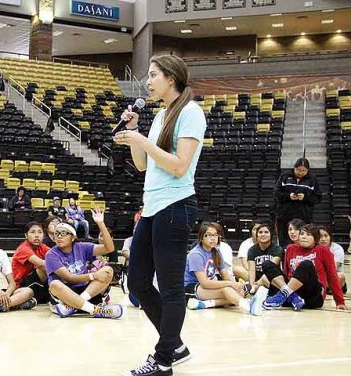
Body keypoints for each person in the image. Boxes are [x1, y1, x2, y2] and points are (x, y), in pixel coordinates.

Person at [113, 55, 206, 376]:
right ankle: (175, 344)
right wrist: (134, 134)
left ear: (171, 77)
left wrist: (142, 141)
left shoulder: (191, 113)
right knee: (137, 281)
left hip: (176, 207)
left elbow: (180, 165)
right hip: (152, 208)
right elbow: (142, 165)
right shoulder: (160, 116)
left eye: (153, 75)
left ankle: (164, 358)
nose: (148, 81)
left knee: (169, 287)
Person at [45, 208, 122, 319]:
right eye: (56, 234)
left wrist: (101, 223)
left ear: (73, 237)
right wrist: (93, 275)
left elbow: (109, 248)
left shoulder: (82, 247)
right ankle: (96, 310)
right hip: (65, 291)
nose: (59, 236)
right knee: (54, 284)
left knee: (108, 270)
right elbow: (70, 278)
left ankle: (73, 306)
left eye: (63, 233)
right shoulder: (51, 254)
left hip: (85, 289)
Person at [184, 222, 267, 315]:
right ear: (201, 238)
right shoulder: (196, 254)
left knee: (240, 292)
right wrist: (230, 284)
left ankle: (205, 304)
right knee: (227, 290)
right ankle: (249, 306)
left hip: (209, 284)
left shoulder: (216, 251)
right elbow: (204, 283)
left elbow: (225, 275)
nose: (213, 238)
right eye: (208, 235)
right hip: (192, 287)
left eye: (215, 235)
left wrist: (234, 285)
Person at [261, 224, 350, 311]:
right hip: (294, 293)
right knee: (267, 264)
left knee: (306, 264)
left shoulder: (323, 250)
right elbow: (286, 274)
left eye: (308, 235)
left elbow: (332, 276)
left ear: (315, 239)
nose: (304, 237)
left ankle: (283, 295)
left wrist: (340, 301)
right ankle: (292, 297)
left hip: (312, 297)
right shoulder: (290, 248)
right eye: (302, 234)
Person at [274, 158, 321, 247]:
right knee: (283, 242)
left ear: (308, 170)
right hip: (284, 216)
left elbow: (318, 198)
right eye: (298, 170)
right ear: (294, 168)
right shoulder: (285, 176)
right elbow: (276, 193)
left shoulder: (313, 179)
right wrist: (289, 196)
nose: (300, 172)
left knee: (302, 242)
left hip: (304, 217)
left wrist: (305, 197)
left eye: (304, 171)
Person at [12, 222, 51, 303]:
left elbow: (56, 256)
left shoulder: (42, 247)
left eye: (40, 232)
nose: (37, 235)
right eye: (33, 232)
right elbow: (41, 263)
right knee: (43, 266)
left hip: (37, 283)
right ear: (26, 235)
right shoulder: (23, 248)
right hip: (22, 286)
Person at [246, 223, 283, 293]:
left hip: (272, 279)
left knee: (266, 275)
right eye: (260, 232)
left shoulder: (277, 249)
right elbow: (252, 271)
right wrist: (252, 284)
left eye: (266, 232)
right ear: (256, 235)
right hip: (258, 279)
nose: (263, 234)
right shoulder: (252, 250)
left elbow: (271, 268)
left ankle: (279, 292)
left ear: (271, 235)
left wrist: (257, 284)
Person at [318, 226, 346, 292]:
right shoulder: (313, 247)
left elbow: (333, 269)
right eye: (320, 236)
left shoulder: (337, 248)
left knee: (340, 276)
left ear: (330, 237)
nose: (323, 239)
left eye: (326, 236)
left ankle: (328, 288)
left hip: (331, 277)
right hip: (318, 277)